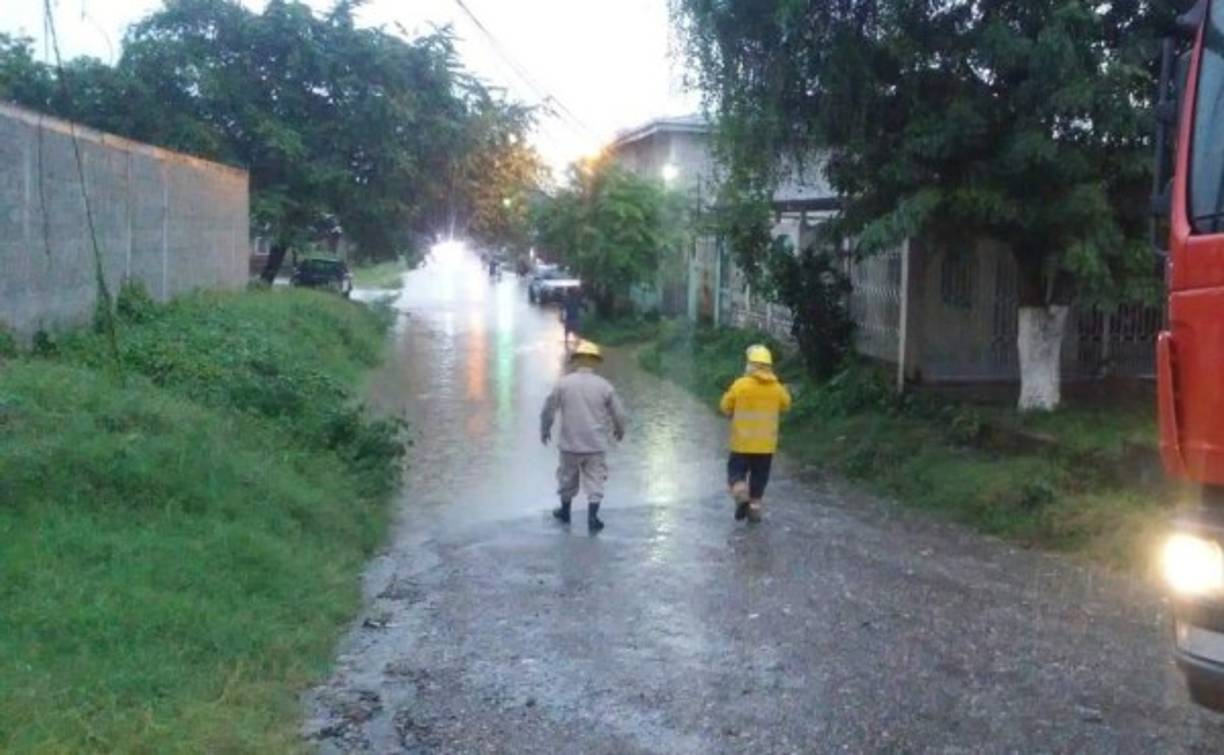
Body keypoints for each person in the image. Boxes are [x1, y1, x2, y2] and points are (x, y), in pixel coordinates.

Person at [540, 340, 627, 532]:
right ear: (595, 362)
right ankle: (593, 517)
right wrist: (620, 430)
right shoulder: (604, 386)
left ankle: (565, 512)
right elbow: (619, 413)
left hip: (570, 444)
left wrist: (545, 429)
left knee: (566, 478)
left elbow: (549, 409)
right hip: (595, 445)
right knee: (595, 480)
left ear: (575, 361)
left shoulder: (563, 384)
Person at [719, 344, 792, 523]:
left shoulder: (741, 385)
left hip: (741, 444)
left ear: (750, 364)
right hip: (766, 447)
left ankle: (741, 495)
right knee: (759, 480)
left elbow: (725, 406)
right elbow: (786, 404)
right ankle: (754, 511)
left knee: (736, 475)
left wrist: (732, 412)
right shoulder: (776, 388)